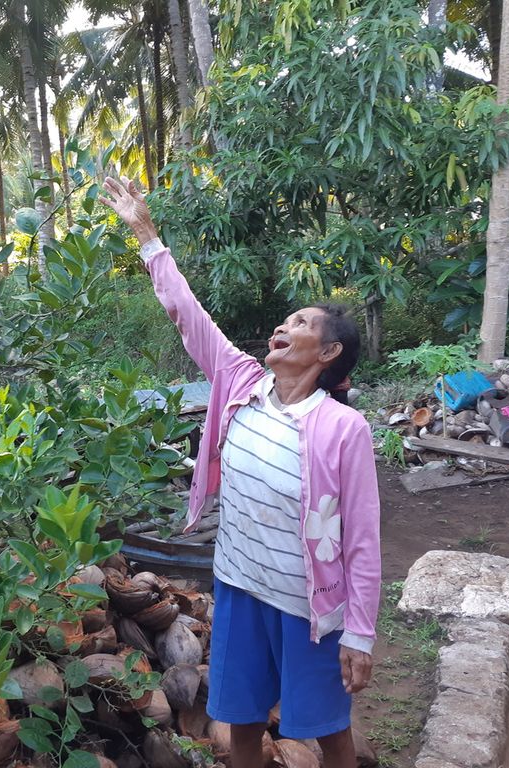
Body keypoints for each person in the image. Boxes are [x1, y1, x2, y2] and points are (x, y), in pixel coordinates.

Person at [100, 177, 381, 768]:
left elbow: (360, 539)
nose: (284, 327)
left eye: (301, 323)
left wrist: (358, 631)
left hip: (309, 607)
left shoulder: (341, 429)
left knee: (328, 729)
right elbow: (186, 313)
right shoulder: (241, 385)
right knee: (243, 719)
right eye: (284, 321)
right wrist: (146, 235)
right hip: (239, 586)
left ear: (328, 354)